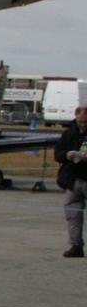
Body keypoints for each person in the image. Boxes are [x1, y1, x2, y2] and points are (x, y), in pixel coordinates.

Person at [60, 105, 87, 257]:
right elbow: (58, 153)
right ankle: (76, 245)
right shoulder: (69, 133)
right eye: (81, 122)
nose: (83, 125)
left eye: (86, 122)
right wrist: (67, 155)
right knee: (72, 214)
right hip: (74, 180)